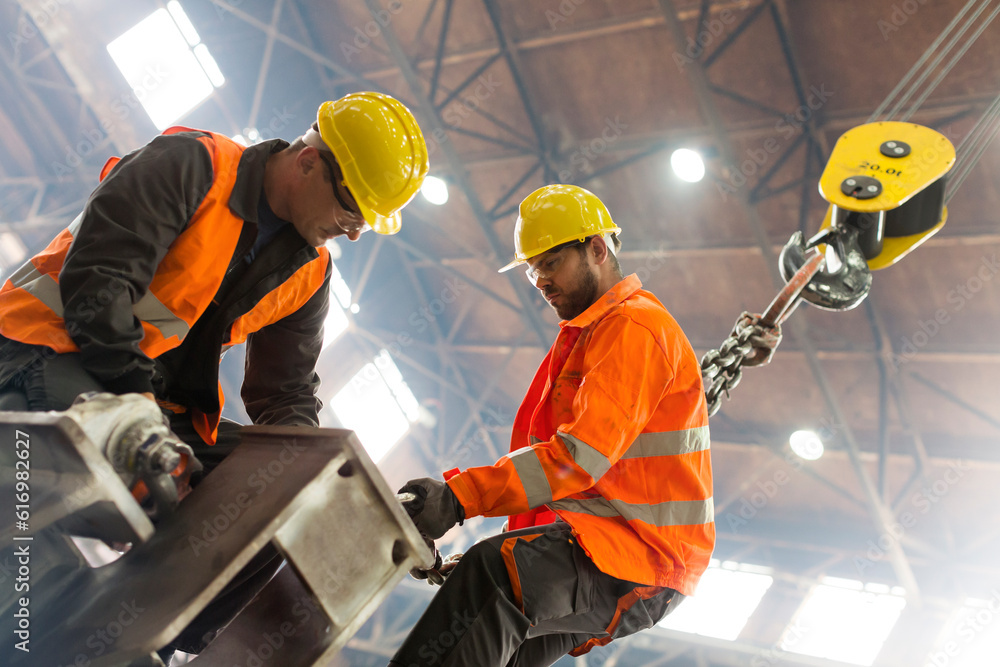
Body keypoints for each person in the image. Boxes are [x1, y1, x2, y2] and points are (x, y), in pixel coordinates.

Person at [0, 91, 428, 658]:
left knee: (293, 495)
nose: (352, 231)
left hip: (145, 403)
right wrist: (138, 407)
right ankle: (33, 621)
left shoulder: (311, 272)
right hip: (44, 353)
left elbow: (286, 392)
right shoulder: (192, 165)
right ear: (308, 163)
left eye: (365, 224)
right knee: (99, 464)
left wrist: (325, 476)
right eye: (351, 210)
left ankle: (155, 639)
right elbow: (99, 282)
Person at [393, 184, 714, 666]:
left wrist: (459, 498)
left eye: (549, 263)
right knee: (502, 638)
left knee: (491, 578)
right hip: (621, 553)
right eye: (531, 270)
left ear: (598, 249)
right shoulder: (595, 336)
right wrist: (511, 540)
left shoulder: (633, 327)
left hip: (637, 553)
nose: (539, 280)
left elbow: (577, 459)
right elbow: (568, 480)